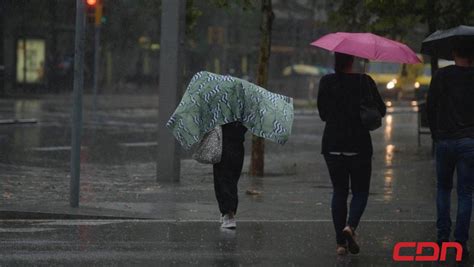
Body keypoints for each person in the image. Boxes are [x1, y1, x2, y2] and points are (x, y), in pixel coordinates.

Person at [317, 52, 386, 255]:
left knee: (339, 191)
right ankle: (351, 227)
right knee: (360, 192)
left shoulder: (326, 81)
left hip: (332, 144)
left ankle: (340, 243)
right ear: (352, 61)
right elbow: (381, 111)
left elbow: (323, 114)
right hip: (359, 146)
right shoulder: (364, 81)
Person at [427, 40, 474, 259]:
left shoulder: (441, 76)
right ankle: (461, 243)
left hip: (445, 141)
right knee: (465, 193)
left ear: (454, 52)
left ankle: (442, 238)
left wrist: (437, 135)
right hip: (469, 142)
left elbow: (430, 107)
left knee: (443, 189)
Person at [214, 121, 247, 229]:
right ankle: (227, 211)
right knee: (230, 178)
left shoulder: (221, 106)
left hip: (224, 143)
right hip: (237, 143)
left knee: (223, 178)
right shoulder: (244, 105)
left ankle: (229, 213)